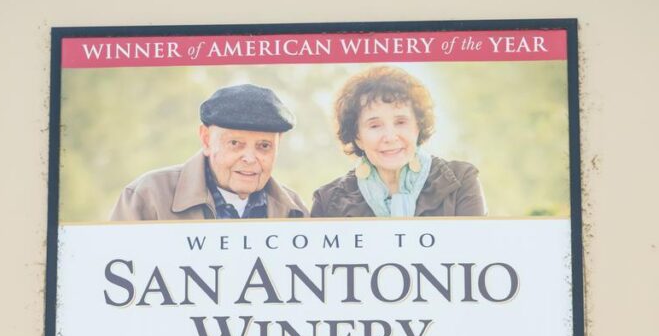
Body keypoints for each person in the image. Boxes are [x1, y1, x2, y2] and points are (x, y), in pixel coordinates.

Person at [111, 84, 307, 220]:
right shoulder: (148, 196)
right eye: (235, 143)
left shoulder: (295, 211)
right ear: (206, 140)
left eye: (264, 146)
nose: (249, 158)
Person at [311, 66, 486, 218]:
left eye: (400, 122)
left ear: (418, 126)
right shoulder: (327, 203)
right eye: (375, 125)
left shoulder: (461, 182)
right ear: (357, 137)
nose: (390, 137)